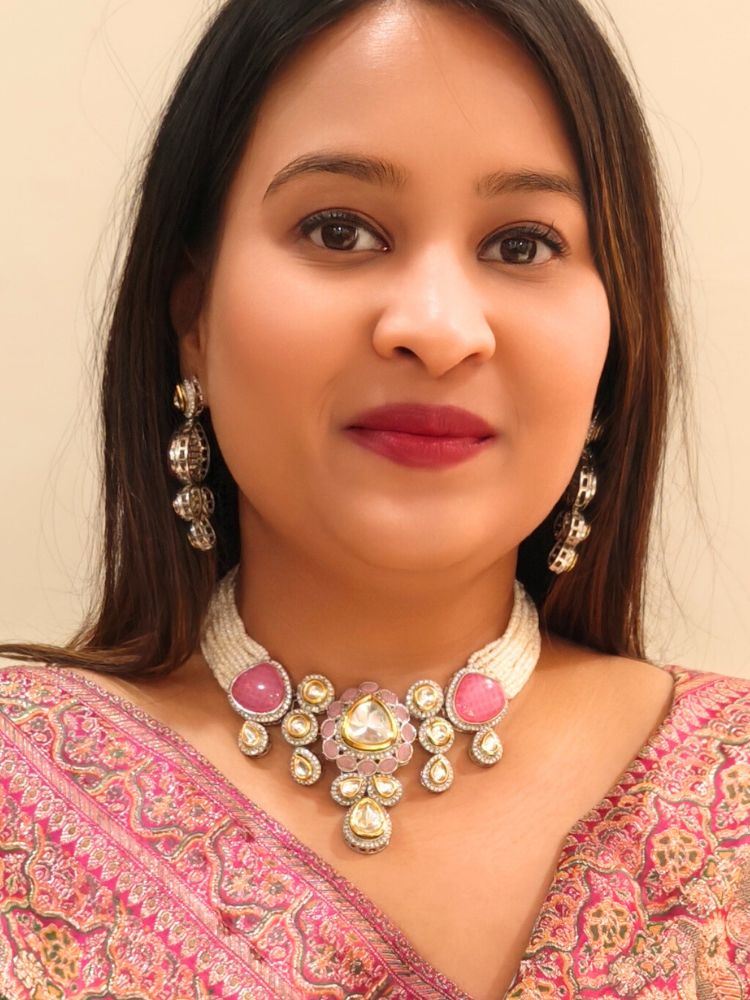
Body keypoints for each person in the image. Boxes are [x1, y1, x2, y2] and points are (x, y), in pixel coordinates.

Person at [1, 0, 748, 997]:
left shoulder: (728, 796)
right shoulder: (23, 789)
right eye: (341, 228)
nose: (437, 329)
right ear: (192, 317)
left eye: (522, 244)